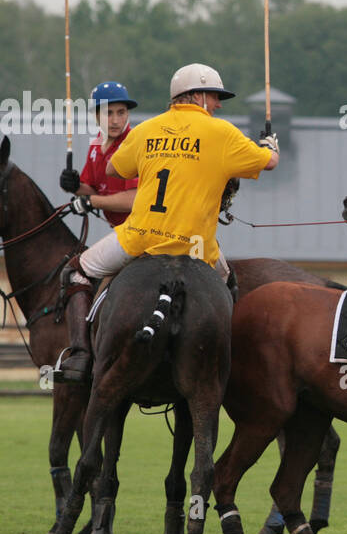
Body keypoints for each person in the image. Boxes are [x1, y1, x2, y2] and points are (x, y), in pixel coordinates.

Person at [54, 63, 279, 383]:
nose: (217, 104)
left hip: (139, 237)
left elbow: (116, 170)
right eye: (214, 97)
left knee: (76, 270)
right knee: (228, 285)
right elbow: (269, 162)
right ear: (197, 96)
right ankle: (227, 358)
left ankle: (80, 355)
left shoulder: (146, 129)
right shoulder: (223, 133)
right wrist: (270, 145)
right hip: (196, 245)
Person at [59, 81, 140, 228]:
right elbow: (97, 191)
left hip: (141, 230)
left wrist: (91, 201)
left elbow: (132, 200)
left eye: (121, 112)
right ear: (95, 115)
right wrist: (75, 187)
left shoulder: (133, 142)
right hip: (121, 231)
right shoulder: (96, 144)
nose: (115, 121)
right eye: (108, 113)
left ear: (127, 113)